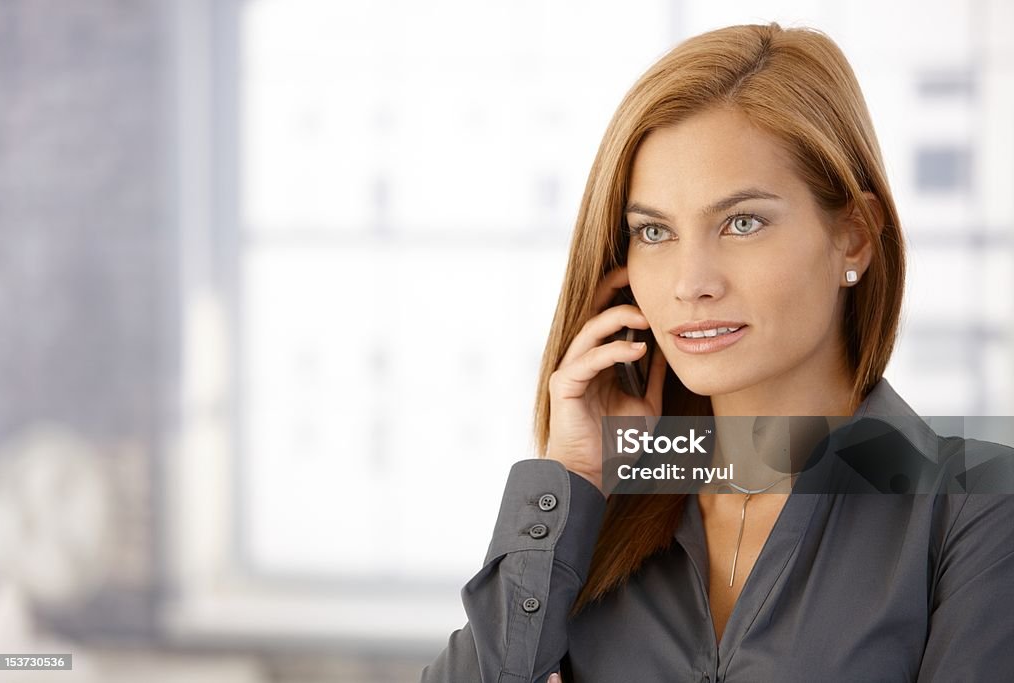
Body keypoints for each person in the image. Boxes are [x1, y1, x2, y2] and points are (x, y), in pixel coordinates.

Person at [421, 22, 1014, 682]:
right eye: (654, 231)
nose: (690, 282)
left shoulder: (977, 509)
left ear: (854, 236)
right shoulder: (594, 518)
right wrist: (573, 474)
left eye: (741, 222)